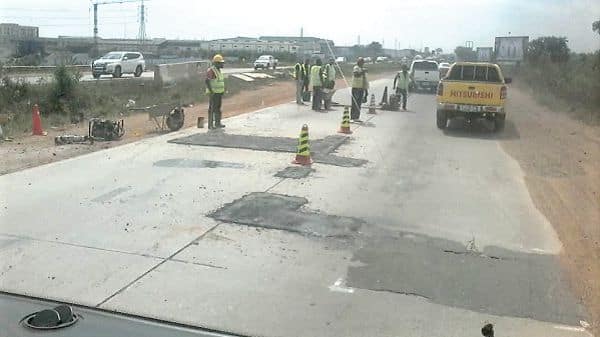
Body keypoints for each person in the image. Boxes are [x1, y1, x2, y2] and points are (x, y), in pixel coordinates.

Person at [205, 54, 226, 129]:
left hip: (219, 93)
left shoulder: (218, 70)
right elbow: (207, 81)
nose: (222, 64)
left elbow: (220, 82)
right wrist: (211, 92)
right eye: (221, 63)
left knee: (218, 108)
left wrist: (222, 91)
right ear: (216, 63)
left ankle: (217, 123)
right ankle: (210, 125)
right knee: (212, 109)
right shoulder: (212, 70)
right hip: (213, 93)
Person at [351, 57, 369, 122]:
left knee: (359, 103)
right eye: (361, 62)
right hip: (356, 88)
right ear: (358, 62)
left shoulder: (362, 69)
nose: (362, 63)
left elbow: (365, 80)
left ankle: (357, 117)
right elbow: (356, 75)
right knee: (354, 103)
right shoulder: (356, 68)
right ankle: (352, 117)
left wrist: (366, 90)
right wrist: (362, 71)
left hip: (361, 88)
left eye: (363, 62)